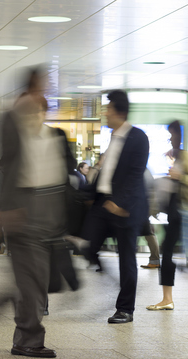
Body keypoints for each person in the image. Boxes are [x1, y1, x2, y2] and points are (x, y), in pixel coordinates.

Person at [0, 68, 69, 358]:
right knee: (31, 280)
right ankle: (28, 339)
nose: (46, 95)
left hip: (47, 215)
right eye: (42, 88)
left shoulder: (50, 134)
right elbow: (12, 161)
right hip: (23, 213)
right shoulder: (13, 123)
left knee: (37, 279)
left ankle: (24, 328)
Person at [83, 90, 149, 324]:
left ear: (119, 112)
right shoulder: (113, 138)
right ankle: (104, 271)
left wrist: (120, 203)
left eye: (108, 109)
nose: (105, 113)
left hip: (126, 207)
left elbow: (134, 175)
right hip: (104, 203)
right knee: (88, 245)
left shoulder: (138, 137)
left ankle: (125, 309)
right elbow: (105, 171)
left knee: (126, 258)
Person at [147, 120, 183, 310]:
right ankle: (167, 298)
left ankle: (167, 299)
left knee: (168, 253)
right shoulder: (178, 156)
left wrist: (179, 176)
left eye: (172, 135)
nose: (171, 139)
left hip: (181, 214)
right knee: (167, 253)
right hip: (175, 215)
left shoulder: (184, 157)